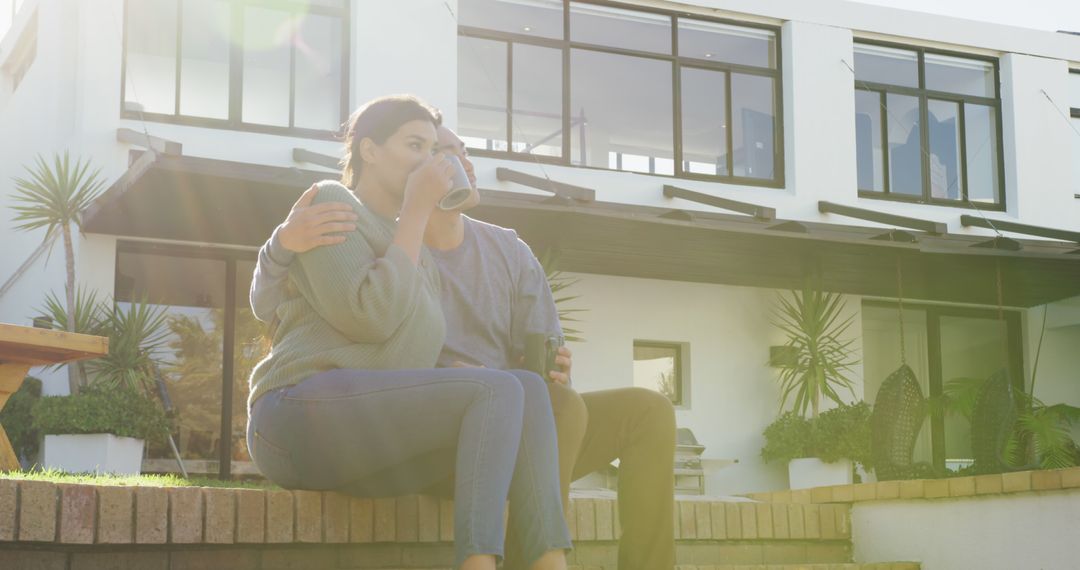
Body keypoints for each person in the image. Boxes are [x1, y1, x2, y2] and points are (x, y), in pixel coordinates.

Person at [252, 121, 677, 570]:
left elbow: (541, 352)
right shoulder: (389, 243)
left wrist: (556, 368)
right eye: (441, 153)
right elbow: (287, 304)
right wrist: (279, 245)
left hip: (520, 417)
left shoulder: (508, 250)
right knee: (558, 409)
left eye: (462, 151)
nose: (462, 163)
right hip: (441, 431)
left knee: (643, 410)